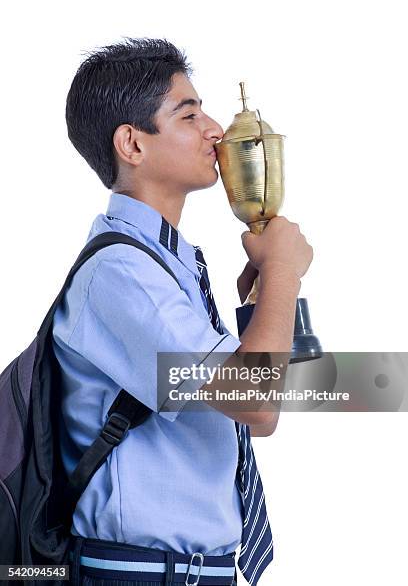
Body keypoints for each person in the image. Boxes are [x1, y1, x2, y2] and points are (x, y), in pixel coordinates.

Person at [52, 37, 313, 586]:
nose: (215, 129)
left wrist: (266, 297)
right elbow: (257, 406)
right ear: (132, 144)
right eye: (188, 114)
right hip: (139, 575)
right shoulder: (123, 273)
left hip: (191, 572)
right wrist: (284, 272)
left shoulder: (169, 265)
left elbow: (264, 403)